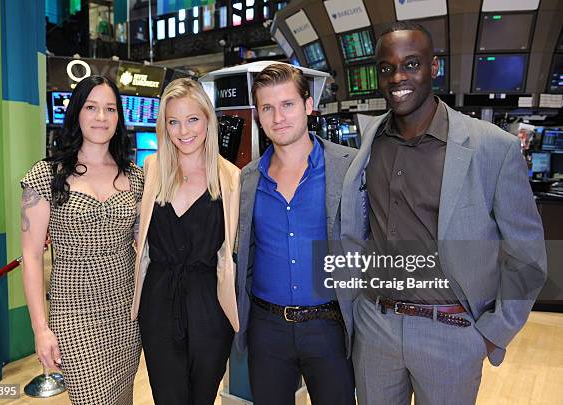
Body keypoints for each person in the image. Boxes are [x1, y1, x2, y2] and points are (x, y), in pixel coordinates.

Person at [341, 21, 547, 404]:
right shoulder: (370, 144)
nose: (398, 77)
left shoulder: (492, 148)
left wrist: (490, 332)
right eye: (387, 68)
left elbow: (528, 256)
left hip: (451, 332)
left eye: (412, 64)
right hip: (375, 328)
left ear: (434, 68)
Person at [235, 63, 357, 405]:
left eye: (287, 104)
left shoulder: (348, 167)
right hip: (266, 328)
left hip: (330, 326)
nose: (278, 117)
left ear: (307, 105)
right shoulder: (247, 180)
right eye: (267, 108)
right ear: (258, 115)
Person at [21, 75, 143, 404]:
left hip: (127, 311)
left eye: (110, 109)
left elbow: (147, 245)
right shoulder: (47, 175)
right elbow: (31, 257)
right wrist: (40, 328)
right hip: (75, 313)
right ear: (76, 112)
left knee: (122, 397)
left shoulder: (135, 175)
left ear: (119, 118)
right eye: (91, 107)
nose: (101, 117)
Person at [131, 78, 240, 404]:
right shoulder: (150, 169)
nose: (183, 130)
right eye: (173, 121)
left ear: (208, 120)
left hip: (211, 307)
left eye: (192, 119)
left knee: (202, 397)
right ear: (163, 126)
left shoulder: (232, 178)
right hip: (158, 304)